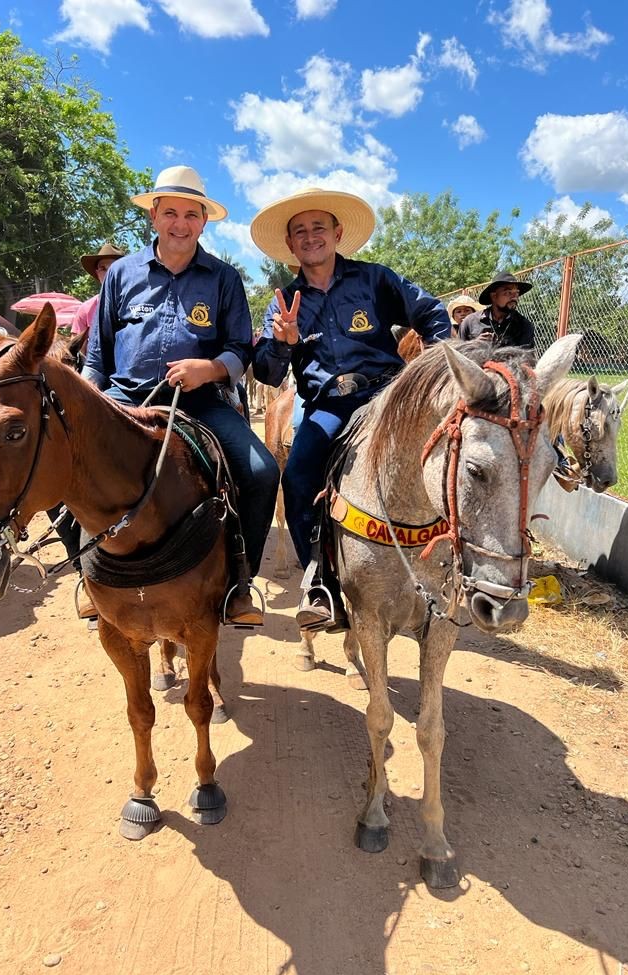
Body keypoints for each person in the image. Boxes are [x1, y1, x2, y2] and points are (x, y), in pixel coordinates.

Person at [82, 166, 280, 626]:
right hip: (124, 400)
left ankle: (239, 581)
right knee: (64, 463)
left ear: (204, 222)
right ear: (153, 216)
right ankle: (87, 573)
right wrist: (89, 404)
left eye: (191, 214)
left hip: (200, 403)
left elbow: (239, 350)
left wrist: (207, 369)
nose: (180, 223)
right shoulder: (121, 274)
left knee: (261, 472)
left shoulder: (224, 278)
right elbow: (97, 356)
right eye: (170, 212)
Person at [250, 187, 452, 631]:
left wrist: (441, 365)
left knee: (453, 455)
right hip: (328, 405)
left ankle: (463, 564)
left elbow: (431, 312)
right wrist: (282, 344)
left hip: (386, 397)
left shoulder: (375, 279)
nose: (310, 237)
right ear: (290, 244)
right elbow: (265, 371)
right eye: (299, 231)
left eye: (318, 227)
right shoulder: (282, 304)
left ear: (337, 232)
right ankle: (319, 582)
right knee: (299, 476)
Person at [458, 271, 534, 348]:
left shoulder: (524, 325)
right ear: (493, 296)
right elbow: (459, 355)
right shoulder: (469, 322)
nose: (514, 297)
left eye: (516, 293)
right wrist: (474, 344)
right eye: (508, 293)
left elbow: (524, 357)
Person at [71, 243, 125, 348]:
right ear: (97, 273)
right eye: (103, 268)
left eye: (114, 268)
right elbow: (75, 351)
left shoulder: (137, 305)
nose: (109, 273)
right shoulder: (86, 309)